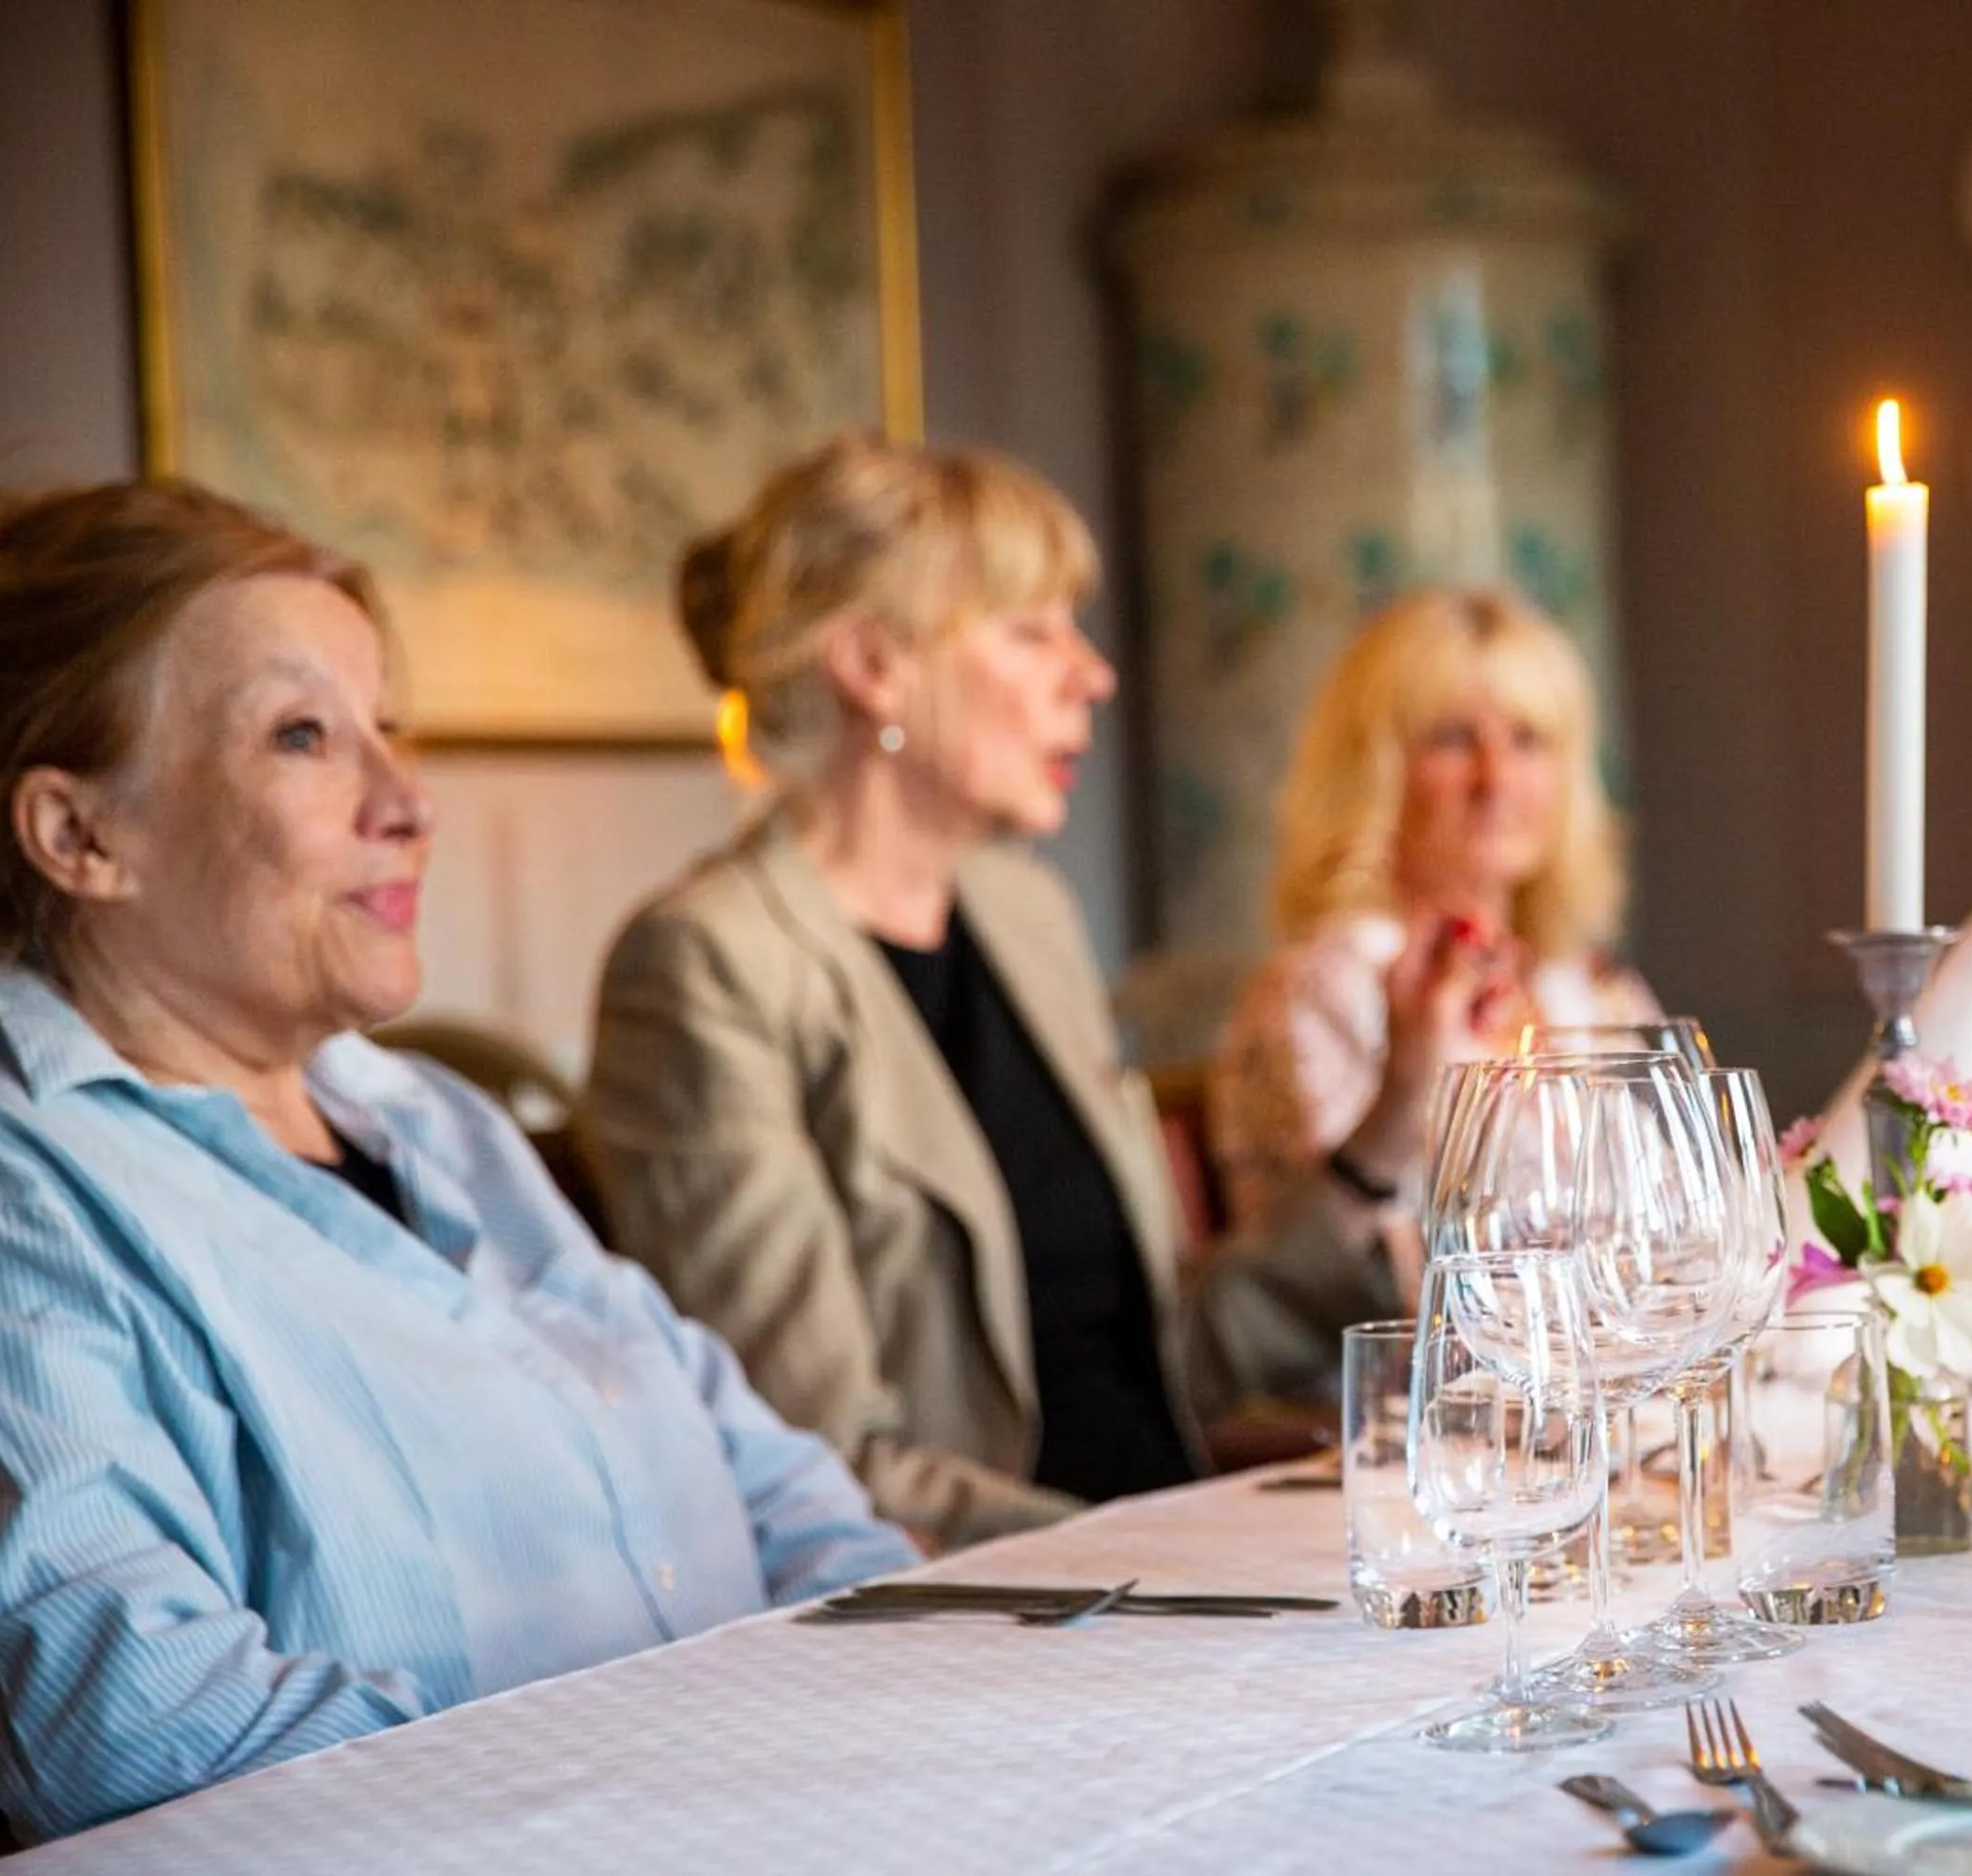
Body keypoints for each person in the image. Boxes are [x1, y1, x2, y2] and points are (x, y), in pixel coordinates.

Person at [0, 481, 916, 1844]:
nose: (408, 801)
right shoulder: (30, 1194)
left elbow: (773, 1482)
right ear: (81, 836)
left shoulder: (432, 1116)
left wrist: (920, 1692)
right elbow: (136, 1728)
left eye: (390, 729)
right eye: (303, 736)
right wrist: (660, 1784)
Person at [581, 435, 1393, 1545]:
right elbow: (818, 1460)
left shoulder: (1026, 916)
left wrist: (1387, 1132)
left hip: (1165, 1574)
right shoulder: (705, 967)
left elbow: (1160, 1360)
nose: (1093, 674)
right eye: (1033, 633)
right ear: (875, 664)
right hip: (989, 1626)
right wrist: (1179, 1555)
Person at [1210, 587, 1661, 1250]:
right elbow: (1332, 1278)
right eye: (1453, 740)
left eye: (1528, 739)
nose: (1497, 777)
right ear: (1370, 772)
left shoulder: (1591, 989)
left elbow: (1704, 1218)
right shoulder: (1320, 994)